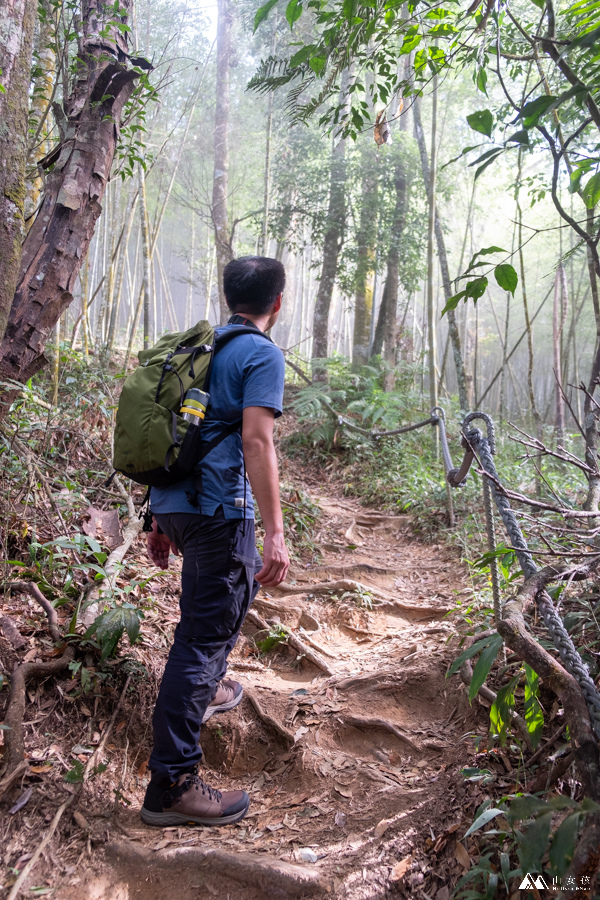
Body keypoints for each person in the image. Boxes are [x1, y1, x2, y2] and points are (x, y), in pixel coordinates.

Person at [140, 256, 290, 827]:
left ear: (229, 297)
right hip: (219, 510)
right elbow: (257, 442)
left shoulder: (197, 350)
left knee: (211, 618)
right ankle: (172, 785)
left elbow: (173, 437)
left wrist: (157, 519)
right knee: (202, 637)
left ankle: (208, 687)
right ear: (277, 303)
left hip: (177, 506)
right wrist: (275, 530)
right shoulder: (260, 353)